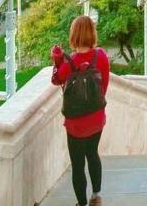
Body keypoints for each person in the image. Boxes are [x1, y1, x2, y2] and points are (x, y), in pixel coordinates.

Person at [51, 15, 110, 206]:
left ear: (74, 35)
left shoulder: (70, 62)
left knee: (77, 164)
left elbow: (56, 80)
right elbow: (104, 86)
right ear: (92, 33)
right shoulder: (100, 56)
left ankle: (82, 203)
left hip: (76, 124)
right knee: (93, 154)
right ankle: (96, 195)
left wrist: (57, 59)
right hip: (96, 118)